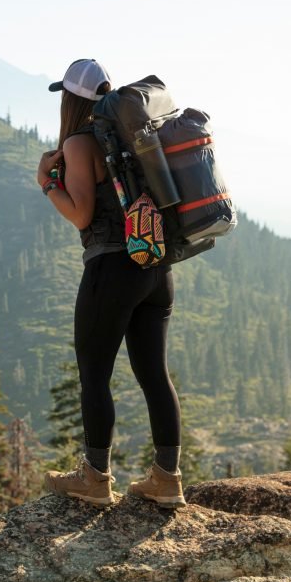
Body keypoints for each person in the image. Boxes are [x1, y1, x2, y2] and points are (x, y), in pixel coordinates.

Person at [38, 58, 186, 509]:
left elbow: (82, 215)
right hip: (156, 265)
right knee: (154, 375)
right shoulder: (134, 136)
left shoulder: (81, 143)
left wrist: (46, 183)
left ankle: (95, 478)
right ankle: (167, 479)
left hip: (112, 268)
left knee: (94, 374)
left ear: (70, 98)